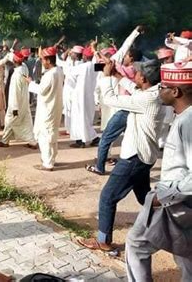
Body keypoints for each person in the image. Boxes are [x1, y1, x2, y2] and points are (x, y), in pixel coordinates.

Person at [78, 60, 162, 252]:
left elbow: (109, 99)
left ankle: (103, 241)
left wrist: (106, 77)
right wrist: (117, 75)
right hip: (144, 156)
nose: (135, 74)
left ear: (145, 78)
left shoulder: (146, 99)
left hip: (134, 157)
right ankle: (167, 228)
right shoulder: (153, 91)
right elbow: (134, 88)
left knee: (108, 197)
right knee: (146, 198)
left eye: (138, 73)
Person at [125, 61, 192, 281]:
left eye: (162, 87)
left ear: (176, 91)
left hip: (176, 204)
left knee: (137, 244)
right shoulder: (182, 116)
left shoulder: (189, 122)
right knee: (186, 255)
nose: (158, 90)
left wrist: (163, 196)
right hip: (179, 202)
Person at [87, 26, 144, 174]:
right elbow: (98, 65)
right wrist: (96, 52)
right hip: (112, 104)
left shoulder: (121, 67)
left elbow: (124, 46)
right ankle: (109, 157)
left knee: (107, 135)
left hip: (118, 105)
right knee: (113, 133)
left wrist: (135, 32)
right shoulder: (115, 67)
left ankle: (102, 163)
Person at [30, 46, 64, 171]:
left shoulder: (50, 74)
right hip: (53, 107)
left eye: (43, 60)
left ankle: (47, 163)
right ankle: (51, 159)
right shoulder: (58, 70)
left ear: (48, 61)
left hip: (48, 109)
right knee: (52, 134)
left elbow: (41, 90)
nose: (42, 63)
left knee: (45, 136)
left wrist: (30, 83)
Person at [0, 51, 37, 149]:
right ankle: (32, 142)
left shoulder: (17, 75)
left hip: (16, 104)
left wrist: (14, 108)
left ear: (14, 61)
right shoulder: (24, 68)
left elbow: (15, 93)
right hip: (24, 101)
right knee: (26, 122)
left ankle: (5, 141)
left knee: (9, 121)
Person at [69, 44, 100, 148]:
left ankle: (86, 140)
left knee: (79, 118)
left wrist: (71, 62)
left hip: (80, 96)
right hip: (90, 96)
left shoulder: (82, 67)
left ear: (85, 57)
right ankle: (83, 140)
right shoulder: (95, 66)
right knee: (85, 118)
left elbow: (69, 72)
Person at [57, 45, 83, 135]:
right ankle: (71, 129)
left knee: (69, 110)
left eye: (72, 53)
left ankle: (70, 129)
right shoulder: (79, 63)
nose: (70, 54)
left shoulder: (72, 66)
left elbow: (58, 62)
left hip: (71, 91)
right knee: (73, 110)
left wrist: (54, 49)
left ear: (76, 55)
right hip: (76, 91)